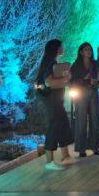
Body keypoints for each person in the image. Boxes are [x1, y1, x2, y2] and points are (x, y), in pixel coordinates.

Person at [35, 39, 76, 170]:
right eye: (60, 47)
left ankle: (66, 156)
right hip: (52, 99)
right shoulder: (50, 63)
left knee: (62, 124)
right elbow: (49, 82)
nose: (62, 48)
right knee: (54, 126)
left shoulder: (51, 62)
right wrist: (65, 78)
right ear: (56, 49)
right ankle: (49, 161)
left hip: (55, 99)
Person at [70, 42, 99, 157]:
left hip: (93, 91)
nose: (89, 51)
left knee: (95, 119)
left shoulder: (95, 64)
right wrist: (84, 79)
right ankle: (81, 149)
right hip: (81, 93)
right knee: (81, 120)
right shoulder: (76, 65)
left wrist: (96, 81)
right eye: (86, 49)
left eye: (90, 49)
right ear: (81, 52)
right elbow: (72, 81)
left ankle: (95, 147)